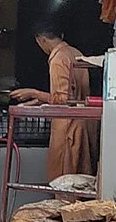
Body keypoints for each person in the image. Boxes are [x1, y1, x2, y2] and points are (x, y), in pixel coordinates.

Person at [11, 31, 96, 180]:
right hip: (86, 125)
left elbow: (64, 99)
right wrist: (38, 101)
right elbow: (74, 94)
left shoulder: (58, 59)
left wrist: (34, 93)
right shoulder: (75, 53)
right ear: (62, 35)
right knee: (82, 183)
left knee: (63, 182)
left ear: (41, 40)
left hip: (68, 129)